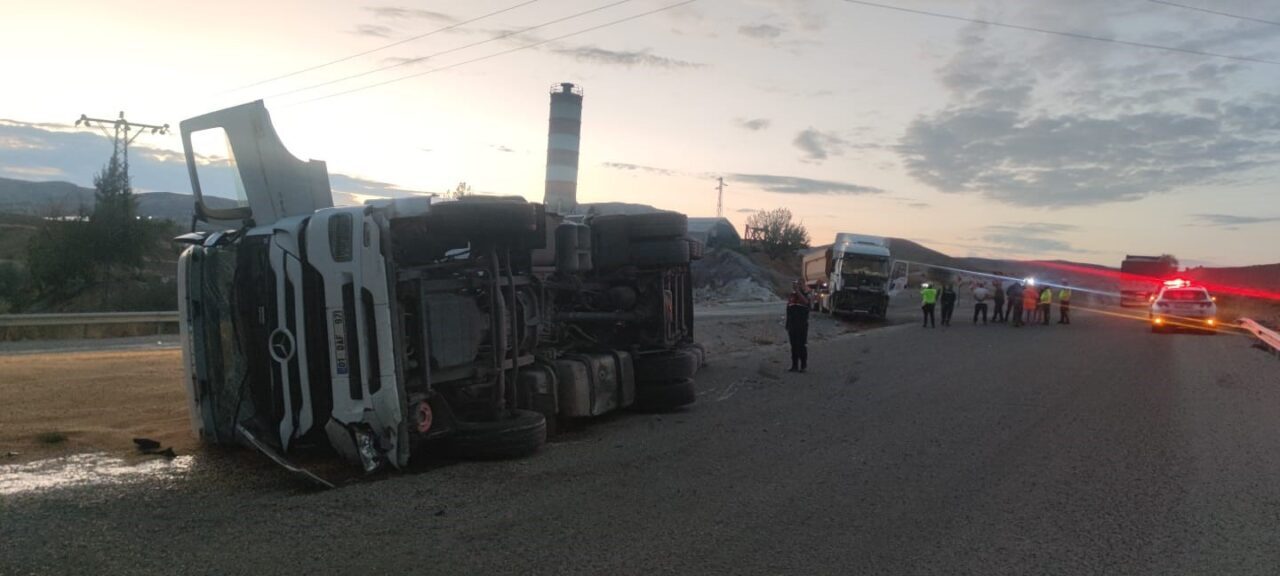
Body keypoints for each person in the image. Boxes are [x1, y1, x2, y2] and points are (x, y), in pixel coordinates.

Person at [785, 281, 810, 372]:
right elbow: (788, 309)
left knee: (801, 345)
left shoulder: (806, 294)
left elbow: (806, 302)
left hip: (802, 325)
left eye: (799, 284)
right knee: (793, 346)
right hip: (792, 325)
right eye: (795, 284)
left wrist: (798, 292)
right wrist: (787, 324)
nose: (796, 286)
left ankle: (803, 366)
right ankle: (794, 365)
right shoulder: (792, 296)